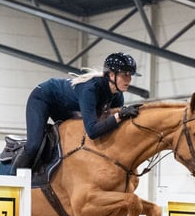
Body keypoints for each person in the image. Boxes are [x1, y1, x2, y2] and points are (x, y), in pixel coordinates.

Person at [11, 52, 141, 173]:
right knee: (34, 145)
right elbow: (93, 131)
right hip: (43, 97)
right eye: (125, 74)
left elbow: (110, 125)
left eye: (130, 75)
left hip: (64, 106)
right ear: (112, 75)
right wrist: (120, 115)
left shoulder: (117, 96)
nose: (129, 79)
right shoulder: (90, 90)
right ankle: (10, 181)